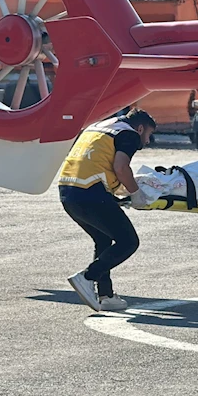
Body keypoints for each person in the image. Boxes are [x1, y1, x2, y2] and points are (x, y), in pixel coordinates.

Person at [62, 108, 156, 312]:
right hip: (90, 193)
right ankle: (87, 277)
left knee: (104, 240)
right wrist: (135, 192)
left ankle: (106, 296)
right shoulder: (129, 134)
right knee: (128, 241)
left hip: (68, 192)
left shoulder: (97, 127)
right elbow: (121, 167)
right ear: (140, 128)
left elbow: (96, 162)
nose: (147, 141)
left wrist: (115, 195)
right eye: (148, 135)